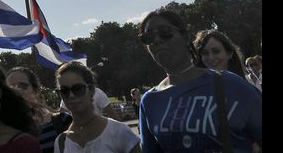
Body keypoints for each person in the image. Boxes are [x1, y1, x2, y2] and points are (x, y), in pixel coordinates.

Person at [138, 9, 262, 152]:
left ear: (185, 36)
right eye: (148, 37)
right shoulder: (150, 102)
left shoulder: (232, 85)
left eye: (165, 32)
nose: (157, 40)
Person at [53, 62, 139, 153]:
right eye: (64, 91)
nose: (71, 95)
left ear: (91, 90)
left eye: (77, 88)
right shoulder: (61, 143)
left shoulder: (118, 131)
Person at [5, 66, 71, 152]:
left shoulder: (62, 120)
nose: (17, 91)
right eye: (11, 88)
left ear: (35, 90)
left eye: (23, 86)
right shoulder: (3, 133)